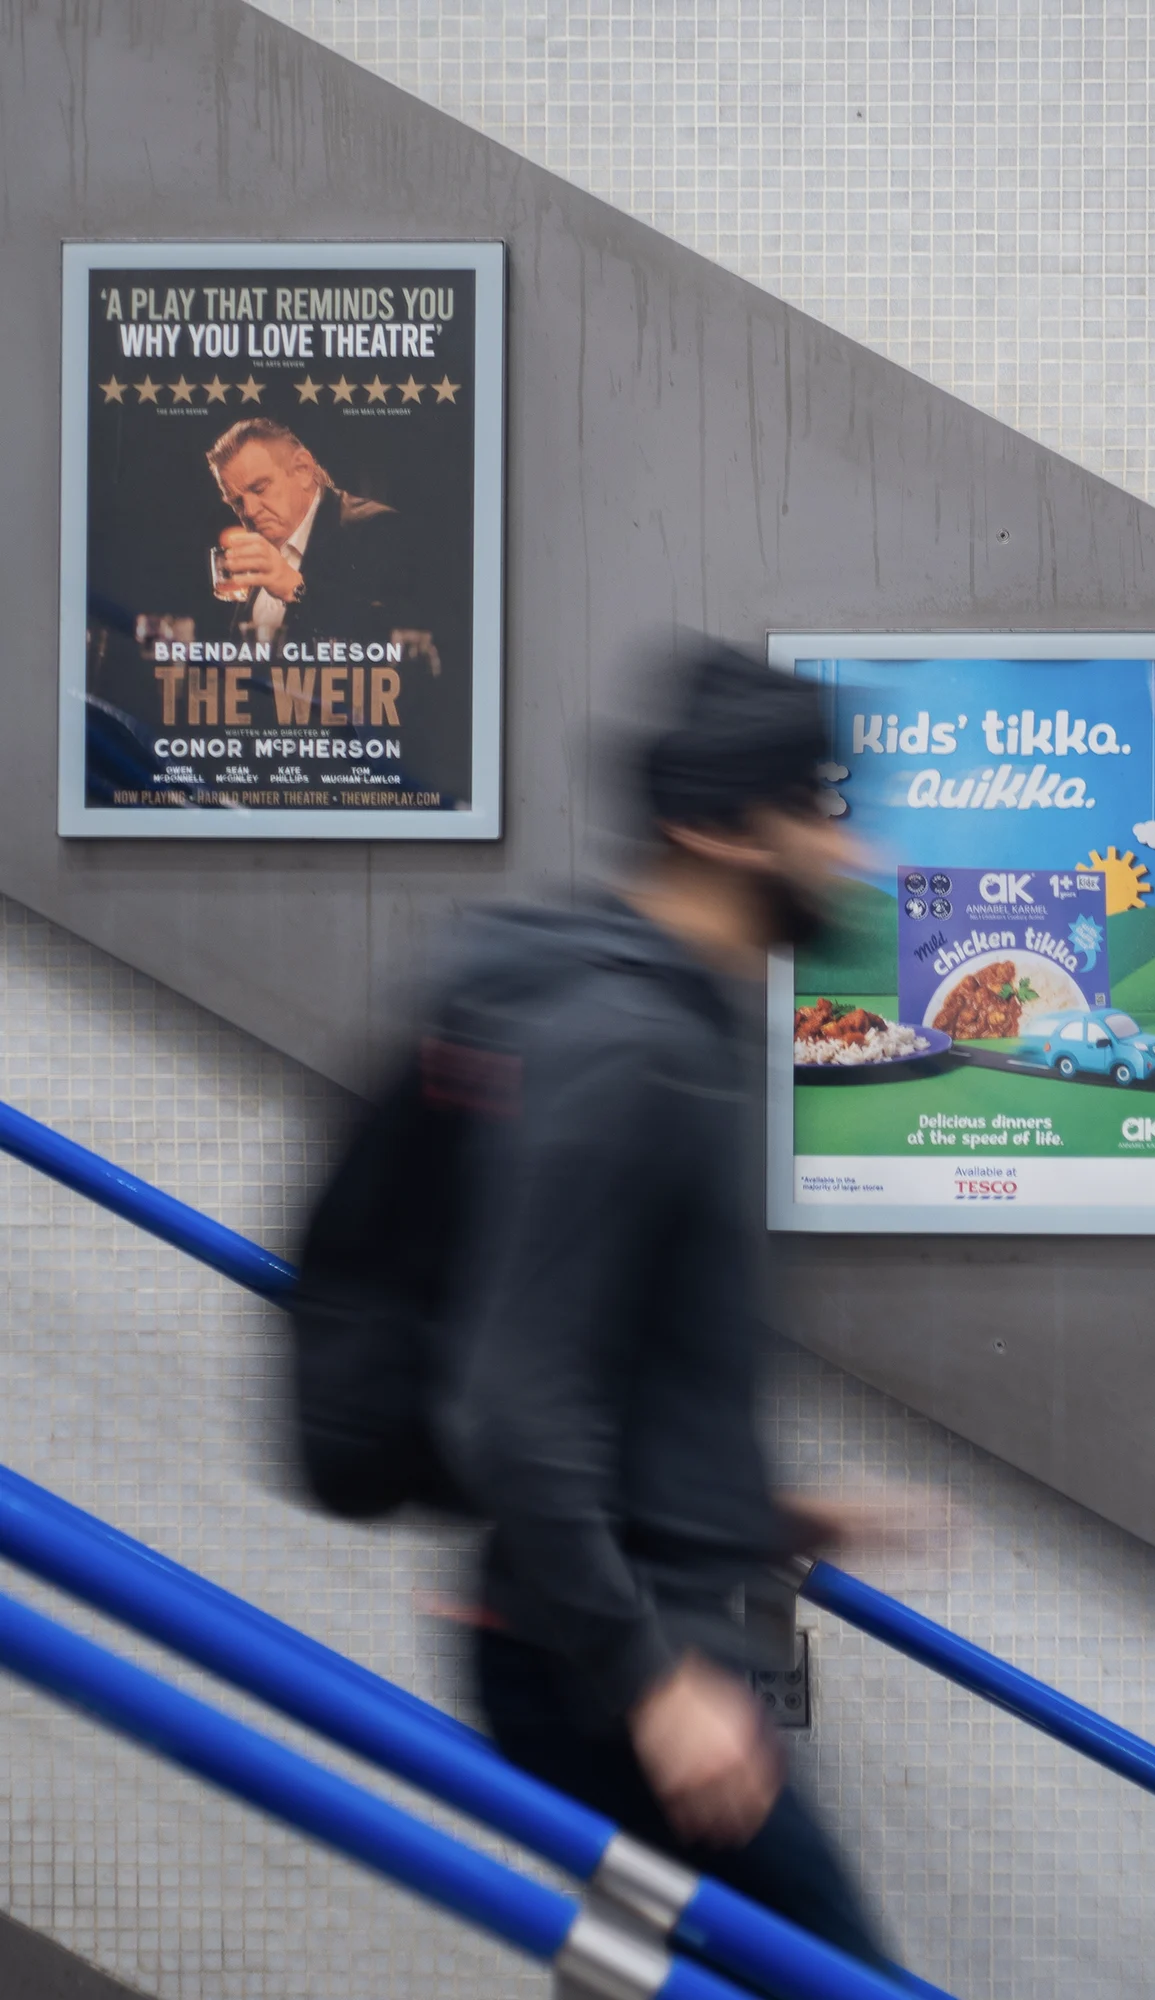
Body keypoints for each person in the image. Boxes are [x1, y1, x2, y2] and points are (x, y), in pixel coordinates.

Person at [424, 645, 892, 1965]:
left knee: (655, 1972)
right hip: (598, 1657)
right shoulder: (631, 1051)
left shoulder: (692, 1035)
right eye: (817, 811)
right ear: (714, 826)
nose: (844, 853)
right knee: (837, 1975)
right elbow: (510, 1400)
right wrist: (652, 1684)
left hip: (643, 1627)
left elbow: (624, 1354)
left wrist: (760, 1509)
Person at [203, 418, 416, 650]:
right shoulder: (259, 549)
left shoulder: (376, 527)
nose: (250, 511)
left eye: (260, 488)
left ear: (303, 469)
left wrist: (295, 588)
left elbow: (392, 638)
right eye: (236, 502)